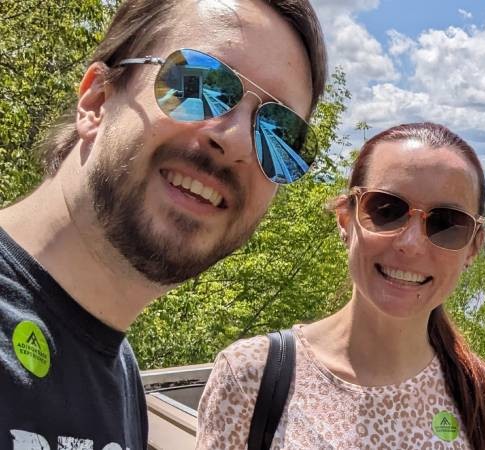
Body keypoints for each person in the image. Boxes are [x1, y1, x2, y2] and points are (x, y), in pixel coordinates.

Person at [0, 0, 326, 448]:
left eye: (279, 133)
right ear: (96, 100)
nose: (236, 143)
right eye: (197, 84)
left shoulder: (121, 380)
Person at [196, 123, 485, 449]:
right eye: (386, 210)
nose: (411, 243)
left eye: (446, 223)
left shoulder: (484, 397)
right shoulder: (251, 377)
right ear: (346, 220)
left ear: (473, 247)